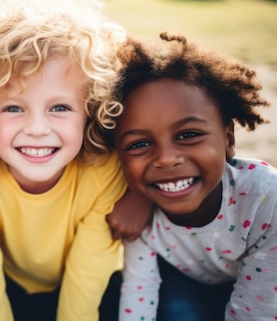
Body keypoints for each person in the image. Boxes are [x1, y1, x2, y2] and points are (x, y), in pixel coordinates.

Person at [0, 0, 132, 320]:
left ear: (90, 111)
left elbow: (86, 280)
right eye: (13, 108)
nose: (38, 129)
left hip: (91, 286)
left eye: (60, 108)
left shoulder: (103, 173)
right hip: (10, 285)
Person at [110, 32, 276, 321]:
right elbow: (140, 291)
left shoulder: (264, 197)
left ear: (228, 139)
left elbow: (257, 312)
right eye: (139, 144)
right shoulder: (137, 209)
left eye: (188, 135)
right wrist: (137, 197)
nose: (166, 159)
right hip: (184, 281)